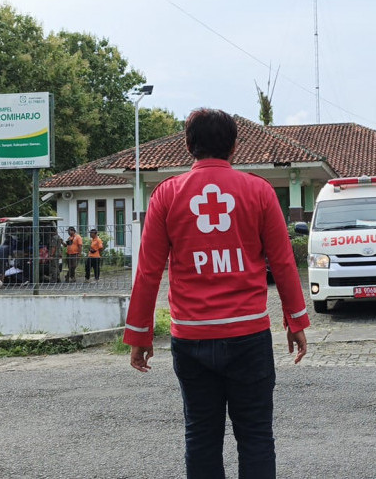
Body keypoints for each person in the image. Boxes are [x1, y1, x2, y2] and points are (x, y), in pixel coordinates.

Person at [123, 108, 310, 478]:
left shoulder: (165, 195)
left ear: (188, 146)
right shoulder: (260, 191)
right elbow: (284, 263)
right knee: (256, 436)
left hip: (191, 337)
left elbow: (147, 271)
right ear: (234, 146)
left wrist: (140, 334)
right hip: (249, 334)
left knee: (201, 436)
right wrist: (296, 320)